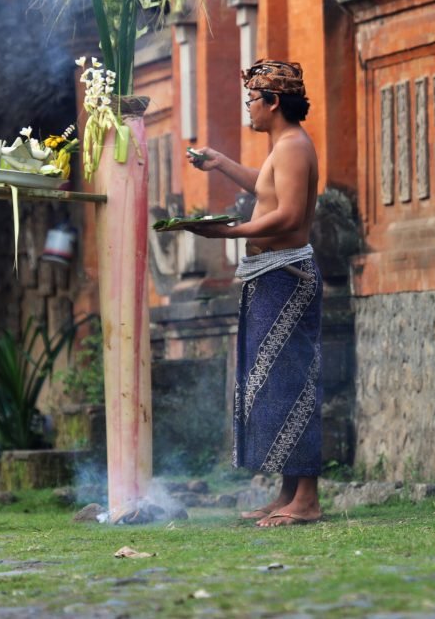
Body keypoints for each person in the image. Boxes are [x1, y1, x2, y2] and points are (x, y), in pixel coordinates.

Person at [186, 59, 323, 527]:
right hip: (271, 274)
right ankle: (288, 492)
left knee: (291, 382)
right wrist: (221, 164)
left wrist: (229, 232)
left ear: (273, 102)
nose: (249, 109)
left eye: (252, 100)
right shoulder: (282, 147)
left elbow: (287, 216)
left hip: (288, 275)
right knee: (272, 383)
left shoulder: (292, 147)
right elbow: (265, 191)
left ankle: (306, 500)